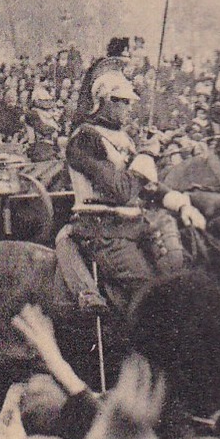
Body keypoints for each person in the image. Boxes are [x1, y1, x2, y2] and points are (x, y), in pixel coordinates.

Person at [64, 70, 204, 318]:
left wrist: (181, 204)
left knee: (179, 272)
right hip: (102, 232)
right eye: (124, 102)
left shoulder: (122, 138)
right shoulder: (84, 139)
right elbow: (122, 190)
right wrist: (146, 154)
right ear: (106, 101)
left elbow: (147, 187)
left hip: (132, 226)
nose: (129, 108)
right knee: (151, 295)